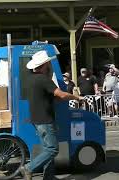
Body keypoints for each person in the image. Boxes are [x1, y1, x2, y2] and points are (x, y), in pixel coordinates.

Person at [19, 51, 84, 180]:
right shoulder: (43, 79)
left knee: (46, 149)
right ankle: (29, 168)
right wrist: (76, 97)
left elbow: (45, 96)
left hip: (36, 119)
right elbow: (62, 95)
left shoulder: (30, 79)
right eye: (48, 62)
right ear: (44, 64)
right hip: (45, 119)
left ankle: (48, 177)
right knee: (53, 149)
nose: (49, 64)